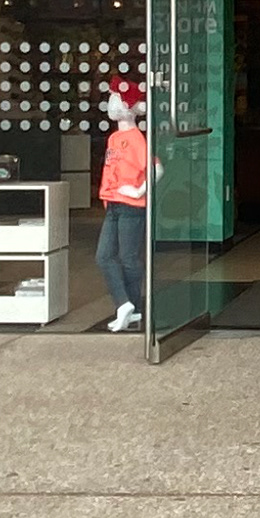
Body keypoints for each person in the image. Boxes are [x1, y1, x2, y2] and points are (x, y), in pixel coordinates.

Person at [94, 76, 150, 334]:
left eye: (115, 99)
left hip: (130, 206)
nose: (111, 104)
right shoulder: (114, 139)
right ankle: (127, 305)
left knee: (127, 257)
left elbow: (154, 168)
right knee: (105, 256)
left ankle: (130, 307)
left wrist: (138, 190)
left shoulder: (137, 139)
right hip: (113, 203)